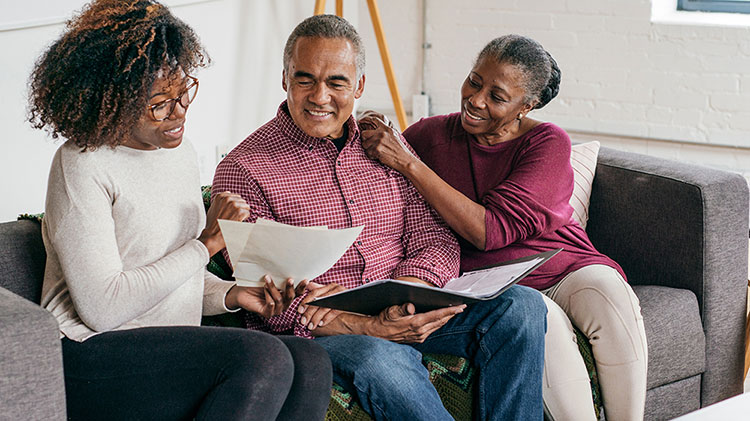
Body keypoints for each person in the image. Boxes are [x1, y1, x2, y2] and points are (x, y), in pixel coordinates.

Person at [212, 14, 546, 421]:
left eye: (336, 82)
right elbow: (265, 298)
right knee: (381, 358)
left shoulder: (386, 147)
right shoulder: (243, 169)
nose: (319, 97)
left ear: (360, 86)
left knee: (521, 307)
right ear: (285, 79)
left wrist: (407, 293)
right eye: (304, 79)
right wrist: (366, 325)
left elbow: (436, 239)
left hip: (401, 304)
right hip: (325, 333)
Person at [29, 1, 332, 419]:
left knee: (311, 361)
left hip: (164, 343)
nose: (178, 114)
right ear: (112, 101)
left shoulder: (179, 152)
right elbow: (104, 307)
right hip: (88, 355)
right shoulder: (82, 165)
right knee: (262, 358)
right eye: (159, 104)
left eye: (183, 93)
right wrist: (205, 245)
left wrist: (233, 295)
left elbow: (167, 276)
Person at [359, 35, 648, 421]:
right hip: (495, 283)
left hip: (564, 264)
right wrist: (368, 127)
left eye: (496, 96)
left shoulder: (546, 142)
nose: (476, 100)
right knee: (543, 325)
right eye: (474, 82)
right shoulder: (430, 135)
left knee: (611, 296)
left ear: (526, 106)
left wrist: (411, 164)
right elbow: (373, 167)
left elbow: (490, 230)